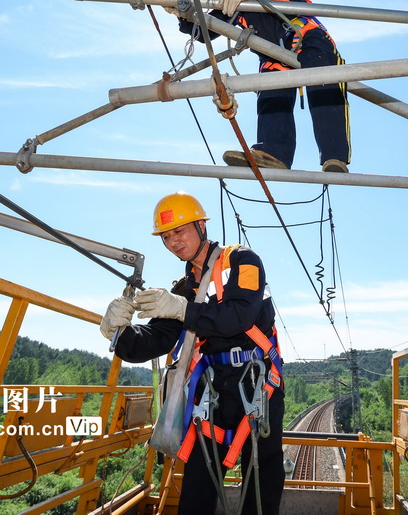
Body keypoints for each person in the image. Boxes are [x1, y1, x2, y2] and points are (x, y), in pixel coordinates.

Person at [100, 192, 285, 515]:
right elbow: (156, 339)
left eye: (180, 231)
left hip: (256, 383)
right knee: (196, 486)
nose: (173, 242)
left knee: (260, 481)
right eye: (166, 236)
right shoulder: (184, 288)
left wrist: (182, 309)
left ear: (201, 226)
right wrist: (119, 332)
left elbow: (238, 317)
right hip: (212, 392)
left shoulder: (243, 260)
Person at [182, 0, 351, 173]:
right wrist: (182, 14)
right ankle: (274, 152)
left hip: (304, 36)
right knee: (271, 90)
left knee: (323, 80)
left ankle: (334, 156)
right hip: (273, 54)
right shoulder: (232, 1)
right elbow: (206, 30)